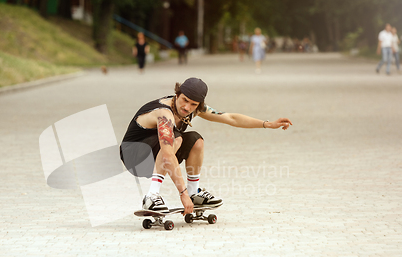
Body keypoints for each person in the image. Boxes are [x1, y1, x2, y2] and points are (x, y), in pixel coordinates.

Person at [119, 77, 293, 215]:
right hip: (134, 157)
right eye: (184, 100)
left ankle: (195, 194)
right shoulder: (164, 113)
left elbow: (230, 118)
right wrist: (182, 194)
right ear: (177, 94)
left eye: (193, 104)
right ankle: (151, 196)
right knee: (176, 139)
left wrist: (267, 124)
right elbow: (166, 153)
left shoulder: (194, 109)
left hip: (157, 154)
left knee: (196, 140)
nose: (187, 107)